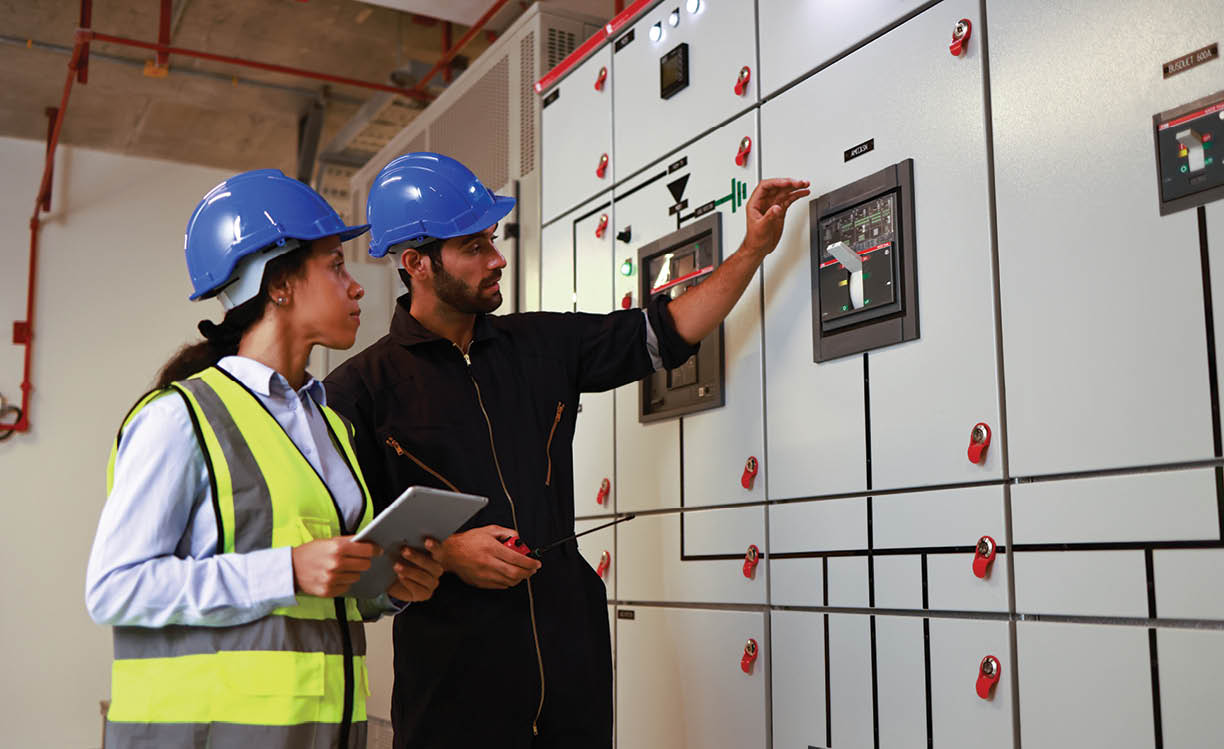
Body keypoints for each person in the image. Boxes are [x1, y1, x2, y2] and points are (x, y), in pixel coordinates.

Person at [324, 151, 809, 749]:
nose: (497, 258)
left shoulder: (542, 344)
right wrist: (448, 555)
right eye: (473, 247)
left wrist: (753, 249)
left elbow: (668, 332)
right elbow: (354, 549)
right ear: (416, 263)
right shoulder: (358, 393)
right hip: (454, 680)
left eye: (492, 239)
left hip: (570, 656)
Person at [85, 168, 446, 749]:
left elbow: (326, 588)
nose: (357, 287)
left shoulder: (328, 425)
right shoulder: (178, 417)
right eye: (335, 265)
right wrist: (287, 570)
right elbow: (116, 587)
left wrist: (392, 584)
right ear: (279, 284)